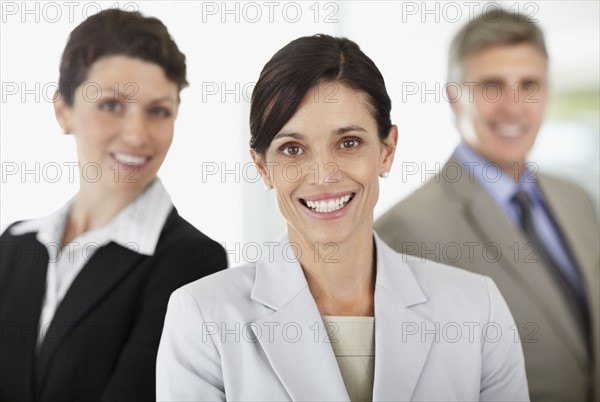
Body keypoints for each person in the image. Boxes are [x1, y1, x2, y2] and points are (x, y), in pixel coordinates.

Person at [156, 34, 529, 401]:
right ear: (263, 168)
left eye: (348, 143)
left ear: (387, 150)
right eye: (292, 149)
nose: (323, 174)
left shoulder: (477, 308)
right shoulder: (202, 318)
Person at [0, 9, 227, 402]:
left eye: (158, 111)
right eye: (110, 105)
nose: (138, 135)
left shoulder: (195, 264)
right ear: (63, 111)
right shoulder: (14, 244)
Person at [375, 11, 599, 401]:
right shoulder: (405, 230)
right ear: (453, 97)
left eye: (529, 84)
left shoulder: (577, 201)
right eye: (491, 86)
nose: (514, 107)